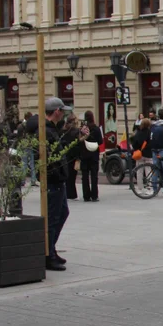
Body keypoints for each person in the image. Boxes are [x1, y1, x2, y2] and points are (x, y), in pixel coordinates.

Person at [35, 97, 87, 270]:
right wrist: (56, 172)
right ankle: (47, 255)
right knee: (53, 217)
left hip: (57, 179)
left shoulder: (52, 129)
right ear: (56, 111)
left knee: (62, 212)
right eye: (62, 111)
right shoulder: (45, 130)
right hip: (53, 180)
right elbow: (50, 155)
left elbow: (62, 149)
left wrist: (77, 140)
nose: (64, 114)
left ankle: (51, 250)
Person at [80, 110, 103, 202]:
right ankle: (94, 195)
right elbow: (100, 142)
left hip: (84, 154)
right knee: (94, 175)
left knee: (84, 176)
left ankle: (86, 195)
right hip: (94, 155)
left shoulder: (82, 129)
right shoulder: (96, 128)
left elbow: (79, 141)